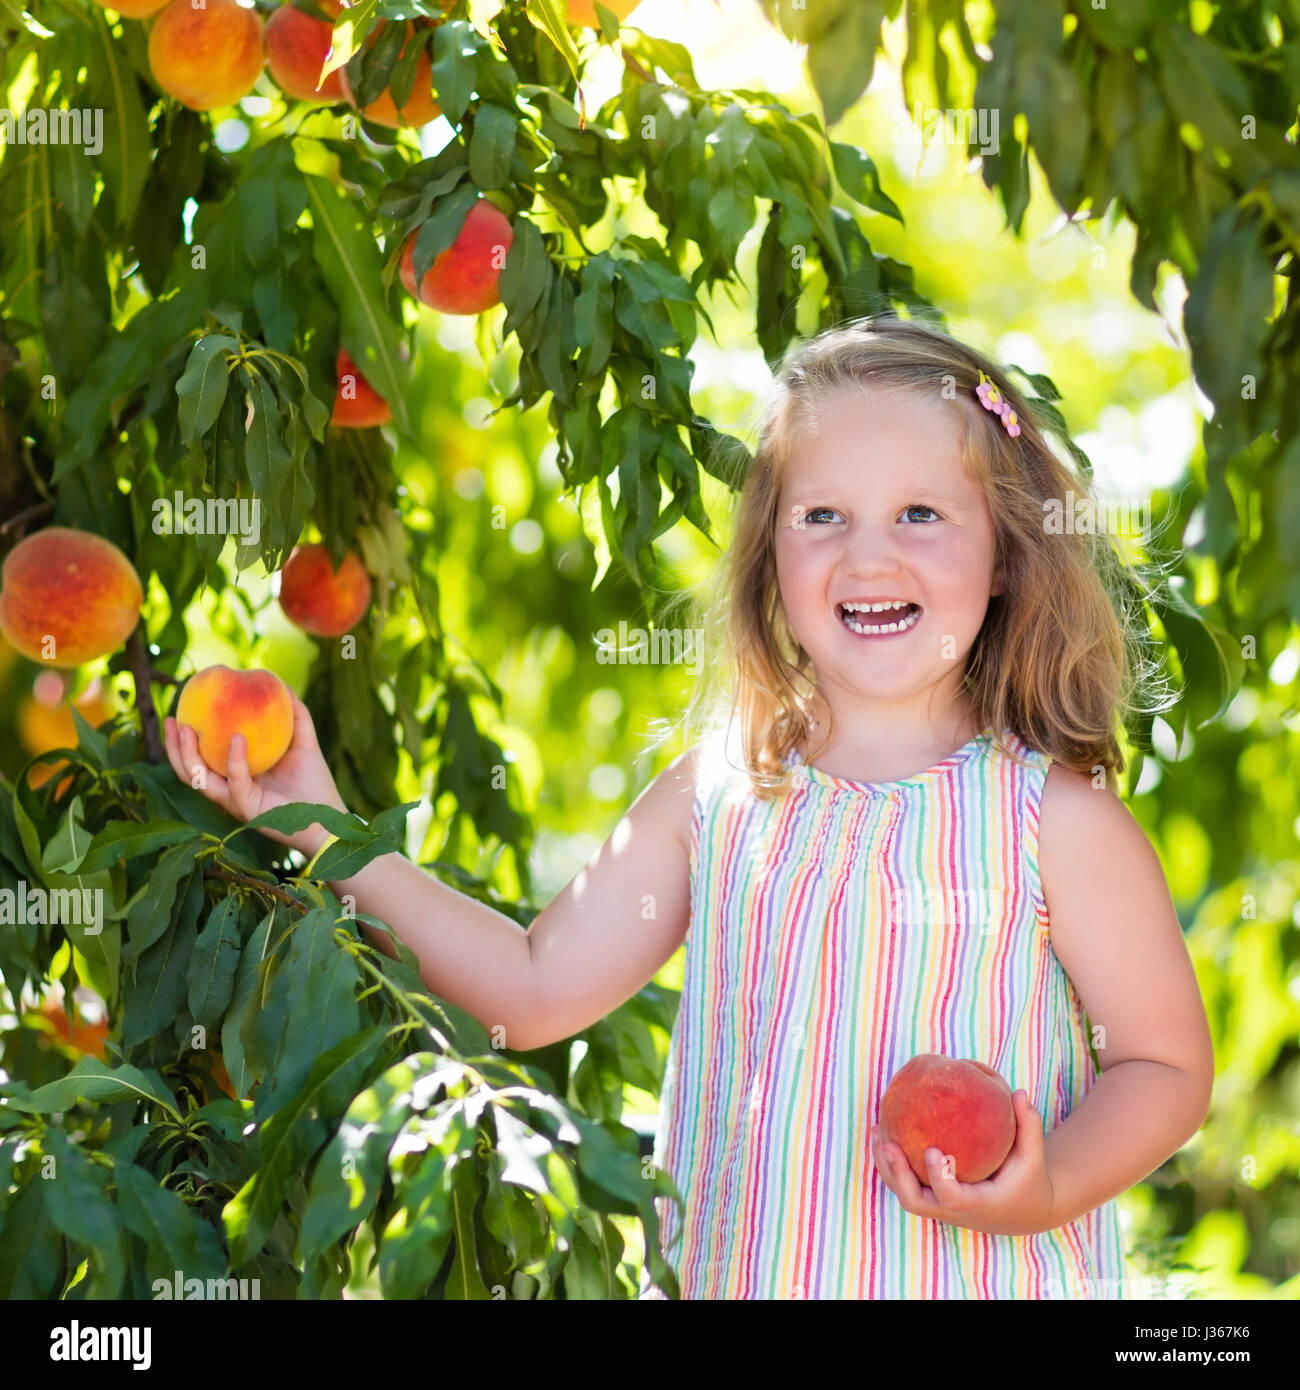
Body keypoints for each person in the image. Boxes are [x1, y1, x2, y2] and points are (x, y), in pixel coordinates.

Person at [164, 314, 1214, 1300]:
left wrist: (1048, 1185)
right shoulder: (722, 790)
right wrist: (320, 824)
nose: (868, 555)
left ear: (1003, 555)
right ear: (771, 558)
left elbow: (1163, 1067)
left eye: (921, 514)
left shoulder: (1050, 820)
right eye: (822, 516)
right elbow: (528, 991)